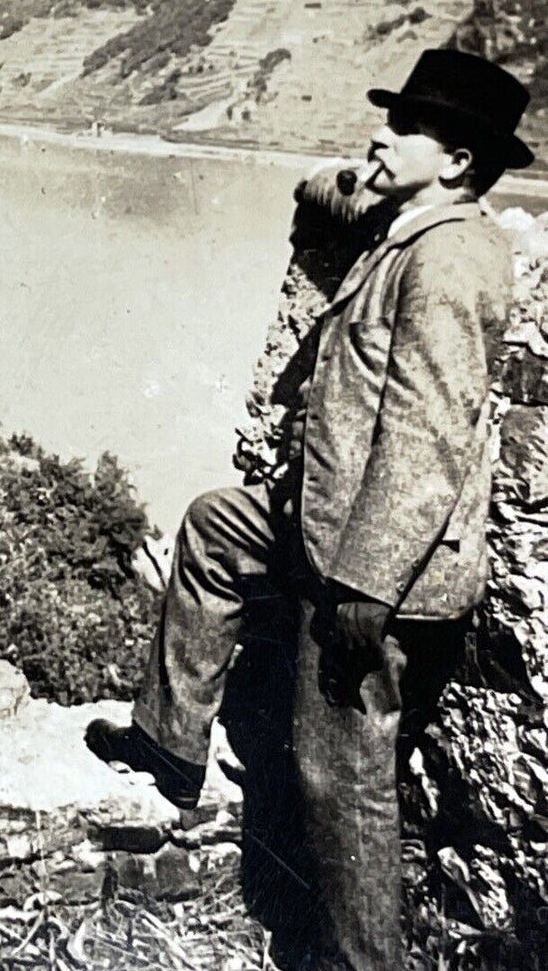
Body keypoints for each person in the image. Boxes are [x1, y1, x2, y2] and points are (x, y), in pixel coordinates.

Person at [87, 49, 534, 971]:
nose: (379, 134)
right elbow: (328, 191)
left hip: (379, 569)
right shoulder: (412, 219)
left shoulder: (449, 258)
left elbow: (428, 436)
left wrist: (366, 585)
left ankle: (362, 961)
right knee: (218, 523)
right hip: (319, 524)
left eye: (403, 128)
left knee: (343, 783)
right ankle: (171, 741)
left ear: (455, 162)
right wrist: (344, 178)